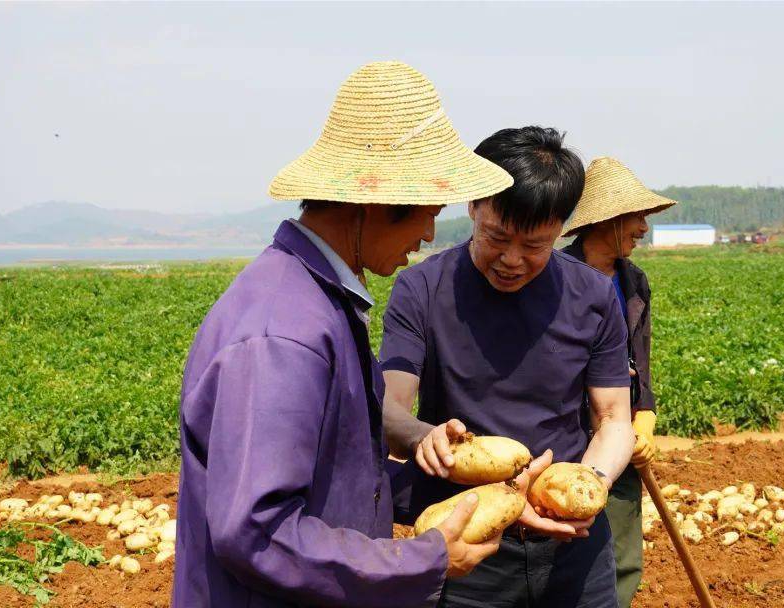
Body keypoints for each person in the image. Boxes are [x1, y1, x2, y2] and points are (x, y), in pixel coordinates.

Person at [172, 61, 546, 607]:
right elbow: (259, 532)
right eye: (426, 213)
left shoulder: (318, 301)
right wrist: (426, 559)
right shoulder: (284, 332)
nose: (425, 235)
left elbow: (339, 487)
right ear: (373, 202)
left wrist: (499, 495)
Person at [381, 127, 636, 608]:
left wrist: (590, 485)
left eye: (536, 245)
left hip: (573, 548)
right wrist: (422, 436)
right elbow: (390, 408)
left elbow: (612, 420)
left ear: (561, 228)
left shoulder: (595, 297)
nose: (512, 260)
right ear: (473, 206)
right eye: (496, 237)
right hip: (471, 544)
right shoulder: (421, 290)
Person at [560, 156, 678, 607]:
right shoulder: (557, 278)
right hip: (572, 436)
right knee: (572, 549)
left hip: (622, 435)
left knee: (624, 558)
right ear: (607, 221)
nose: (644, 228)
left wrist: (643, 419)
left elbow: (640, 364)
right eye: (637, 217)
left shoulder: (634, 282)